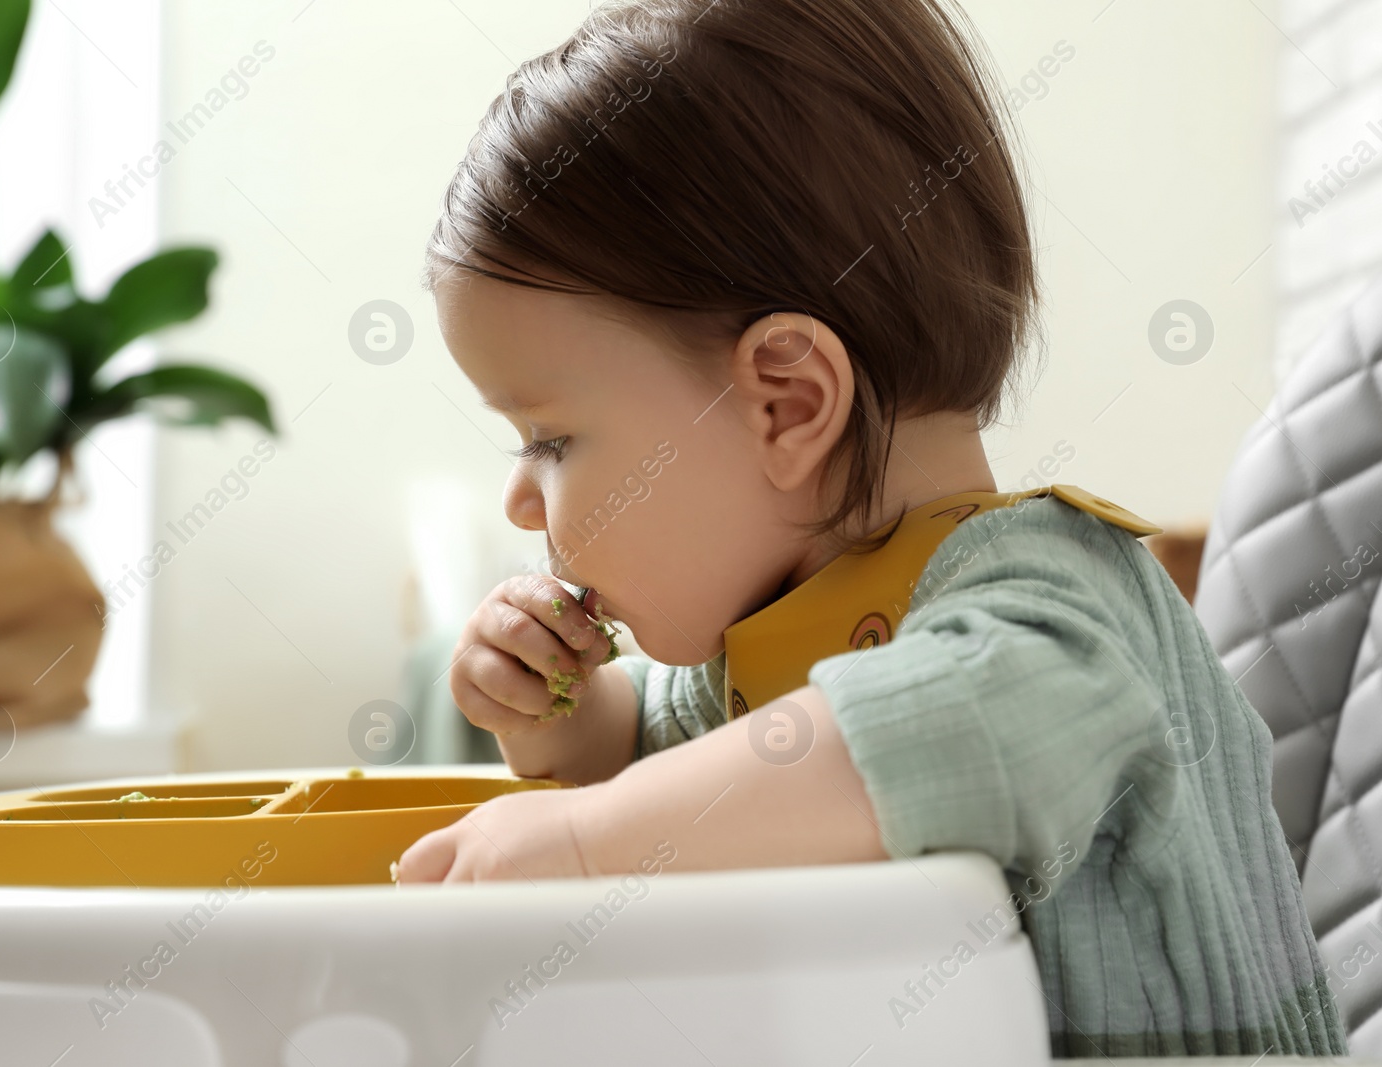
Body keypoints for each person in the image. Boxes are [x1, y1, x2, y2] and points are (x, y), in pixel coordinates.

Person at [393, 0, 1347, 1056]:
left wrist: (581, 843)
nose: (521, 501)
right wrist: (568, 725)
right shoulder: (788, 621)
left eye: (552, 439)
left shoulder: (1052, 609)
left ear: (787, 404)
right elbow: (687, 747)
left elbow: (954, 728)